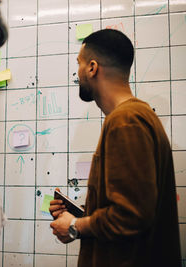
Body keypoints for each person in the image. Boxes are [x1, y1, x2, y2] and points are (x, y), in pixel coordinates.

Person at [49, 29, 181, 267]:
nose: (77, 72)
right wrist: (78, 215)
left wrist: (74, 225)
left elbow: (130, 216)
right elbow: (130, 207)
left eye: (78, 64)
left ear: (92, 68)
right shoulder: (135, 116)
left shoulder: (126, 120)